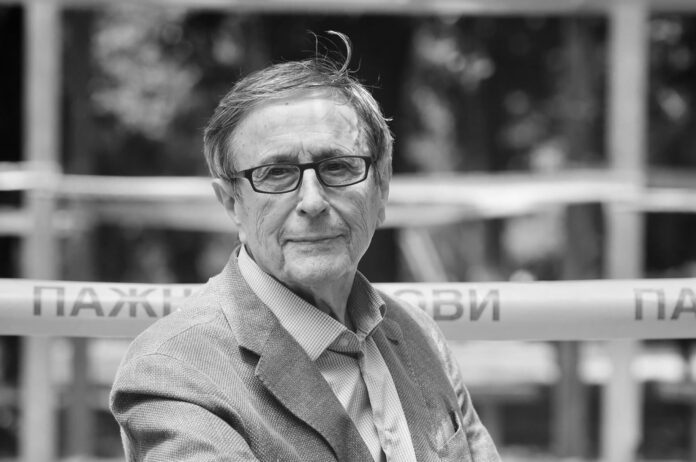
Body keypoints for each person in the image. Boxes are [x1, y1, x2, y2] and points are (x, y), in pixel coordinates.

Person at [110, 34, 500, 462]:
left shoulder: (418, 335)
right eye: (276, 173)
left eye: (338, 166)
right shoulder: (174, 370)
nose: (312, 202)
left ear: (383, 187)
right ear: (232, 203)